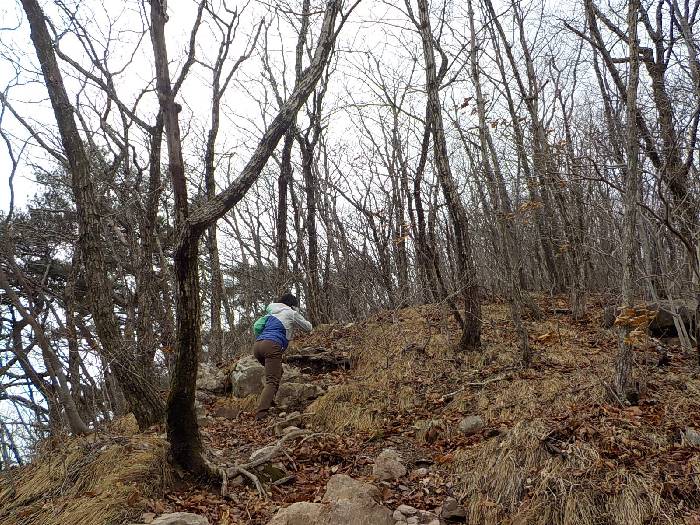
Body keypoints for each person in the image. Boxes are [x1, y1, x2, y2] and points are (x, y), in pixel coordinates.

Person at [253, 293, 312, 419]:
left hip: (258, 346)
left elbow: (257, 326)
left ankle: (270, 401)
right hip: (272, 346)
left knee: (278, 372)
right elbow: (308, 327)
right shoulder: (290, 313)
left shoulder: (271, 312)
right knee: (272, 381)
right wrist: (295, 312)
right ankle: (261, 414)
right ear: (292, 305)